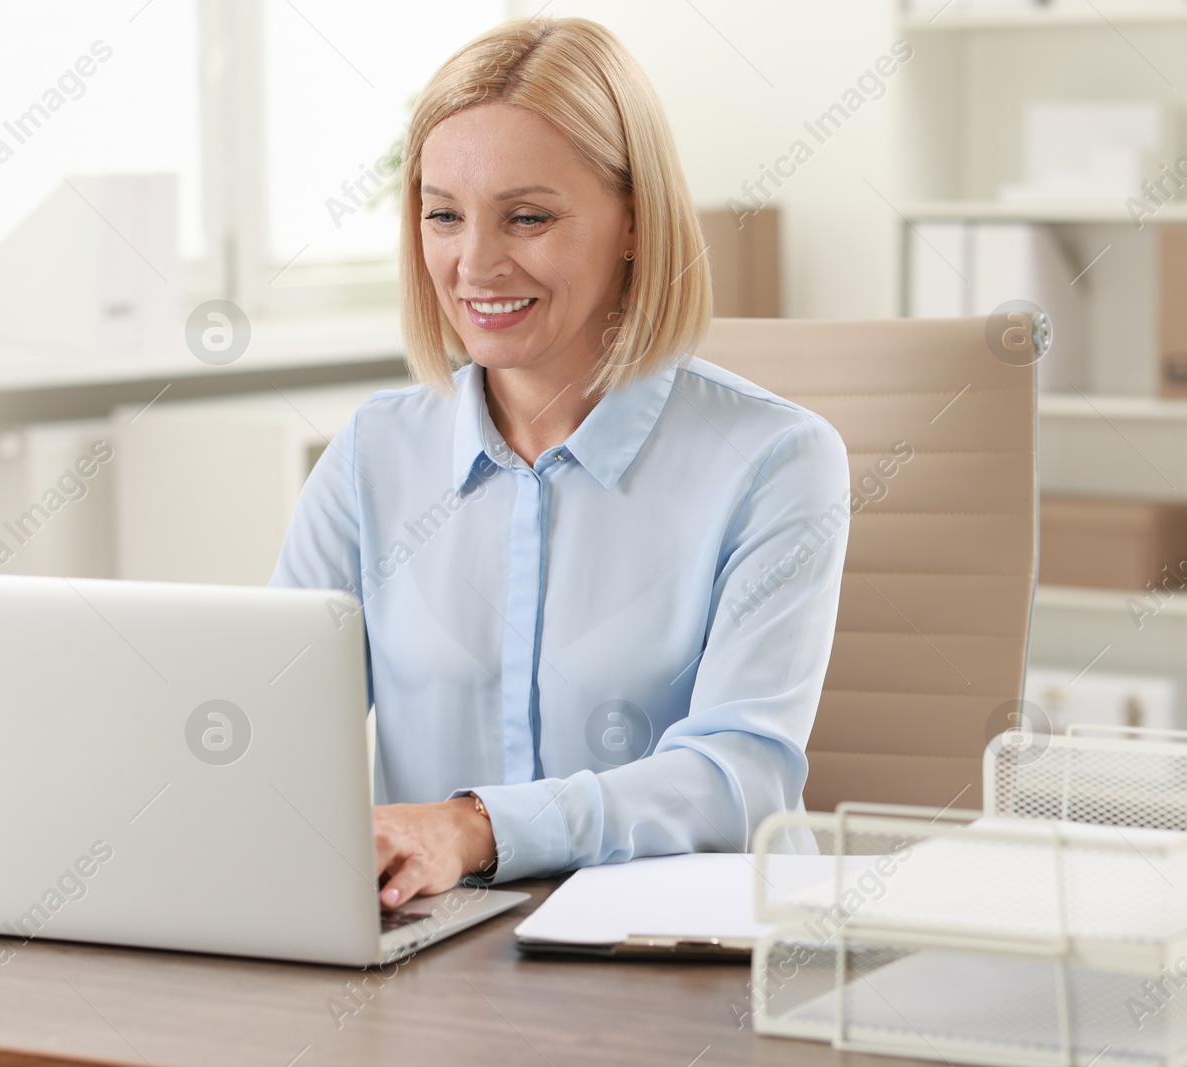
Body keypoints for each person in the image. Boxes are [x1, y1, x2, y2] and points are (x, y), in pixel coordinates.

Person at [270, 16, 850, 909]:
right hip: (443, 954)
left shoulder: (776, 461)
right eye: (443, 216)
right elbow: (276, 733)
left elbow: (742, 779)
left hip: (693, 968)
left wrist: (476, 827)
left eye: (528, 217)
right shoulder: (371, 458)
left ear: (633, 222)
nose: (475, 263)